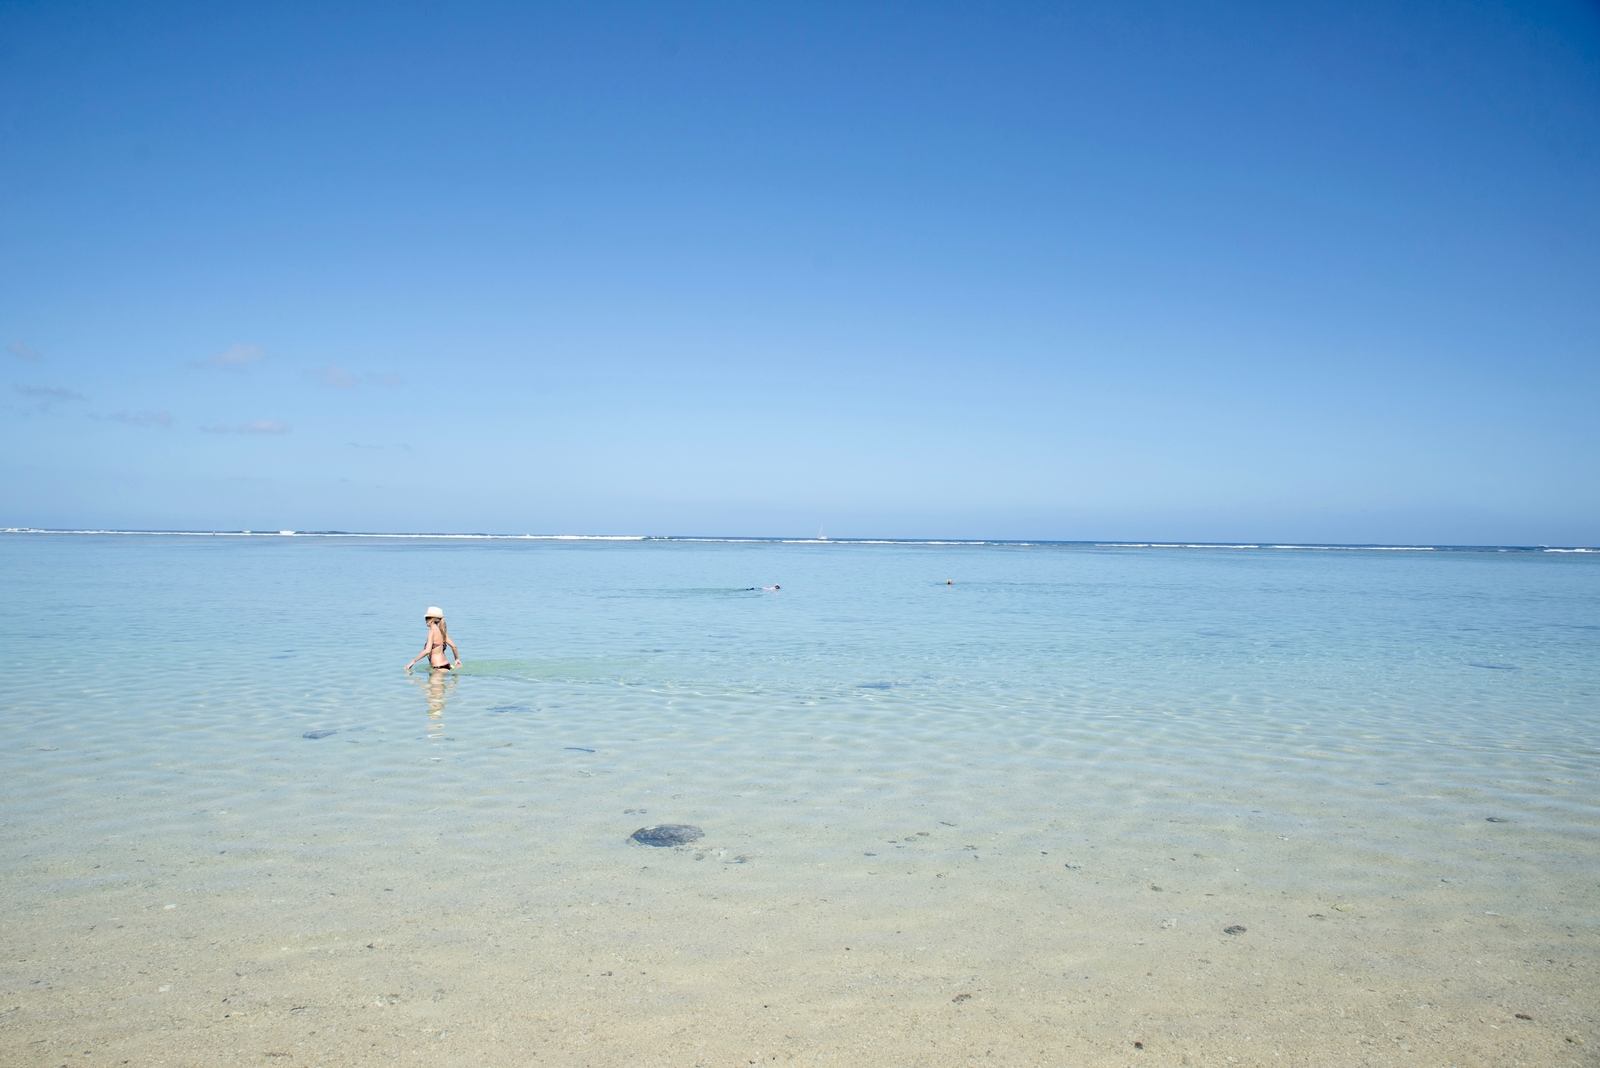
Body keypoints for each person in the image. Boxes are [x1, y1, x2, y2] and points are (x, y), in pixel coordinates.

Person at [406, 605, 462, 672]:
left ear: (431, 619)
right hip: (447, 665)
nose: (425, 620)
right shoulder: (442, 631)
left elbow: (427, 650)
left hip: (438, 667)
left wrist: (413, 661)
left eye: (427, 618)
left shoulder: (432, 631)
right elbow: (454, 646)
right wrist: (457, 659)